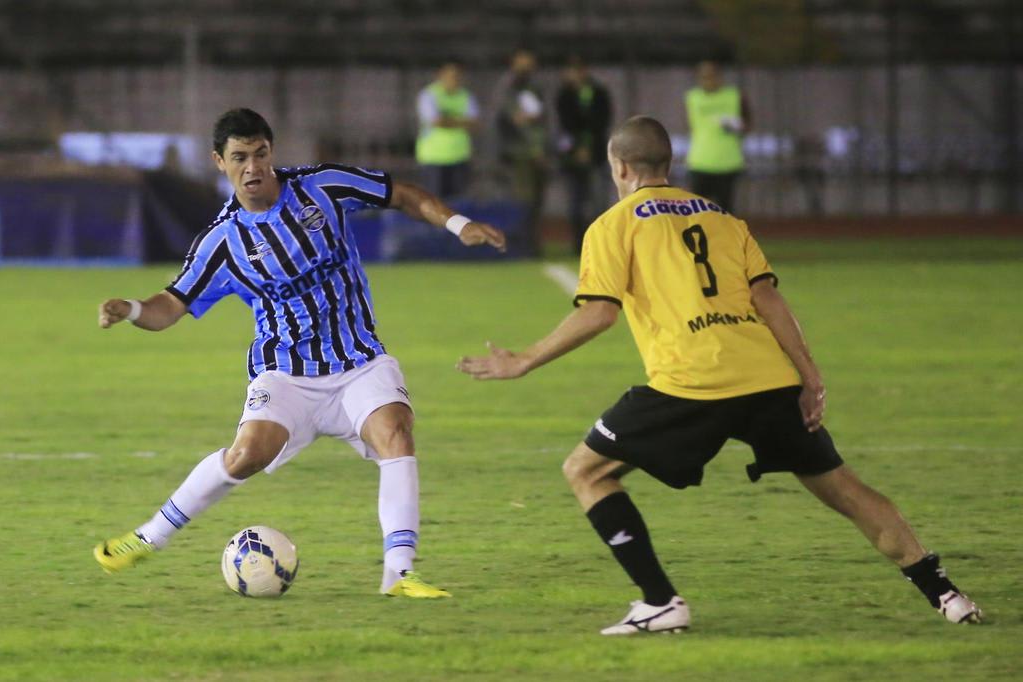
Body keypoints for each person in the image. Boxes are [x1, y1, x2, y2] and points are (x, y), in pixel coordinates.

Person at [457, 115, 981, 633]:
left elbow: (599, 312)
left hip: (692, 381)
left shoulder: (612, 225)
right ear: (670, 163)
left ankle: (660, 602)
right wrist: (809, 375)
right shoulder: (724, 218)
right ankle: (947, 595)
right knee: (844, 489)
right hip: (767, 375)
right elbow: (767, 298)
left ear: (618, 167)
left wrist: (522, 360)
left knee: (586, 471)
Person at [95, 108, 506, 599]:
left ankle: (399, 573)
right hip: (286, 373)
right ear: (219, 162)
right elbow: (171, 305)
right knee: (246, 455)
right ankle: (147, 538)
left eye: (261, 154)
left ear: (273, 152)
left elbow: (402, 194)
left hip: (358, 360)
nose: (253, 168)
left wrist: (458, 224)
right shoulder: (222, 242)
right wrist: (133, 308)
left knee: (395, 434)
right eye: (240, 158)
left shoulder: (322, 187)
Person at [556, 56, 613, 254]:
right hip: (571, 159)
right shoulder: (564, 95)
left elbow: (602, 122)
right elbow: (565, 125)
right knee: (575, 204)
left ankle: (599, 245)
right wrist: (577, 149)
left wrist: (589, 149)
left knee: (599, 203)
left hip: (597, 155)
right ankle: (578, 246)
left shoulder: (599, 93)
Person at [495, 49, 548, 256]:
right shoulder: (508, 87)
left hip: (534, 153)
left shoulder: (534, 87)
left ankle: (531, 244)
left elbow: (539, 122)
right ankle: (520, 246)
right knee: (522, 200)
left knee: (535, 201)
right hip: (517, 153)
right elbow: (518, 120)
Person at [684, 61, 750, 213]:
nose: (708, 80)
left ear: (720, 77)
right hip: (700, 162)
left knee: (725, 213)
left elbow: (748, 125)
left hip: (728, 162)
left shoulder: (735, 96)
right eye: (704, 77)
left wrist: (736, 125)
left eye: (712, 76)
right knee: (697, 213)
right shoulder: (692, 97)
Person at [415, 61, 479, 198]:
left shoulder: (466, 96)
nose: (453, 79)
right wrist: (462, 121)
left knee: (458, 206)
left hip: (459, 157)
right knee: (434, 203)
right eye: (449, 75)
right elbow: (436, 121)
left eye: (456, 76)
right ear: (440, 75)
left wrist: (447, 120)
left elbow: (475, 123)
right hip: (433, 158)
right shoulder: (429, 95)